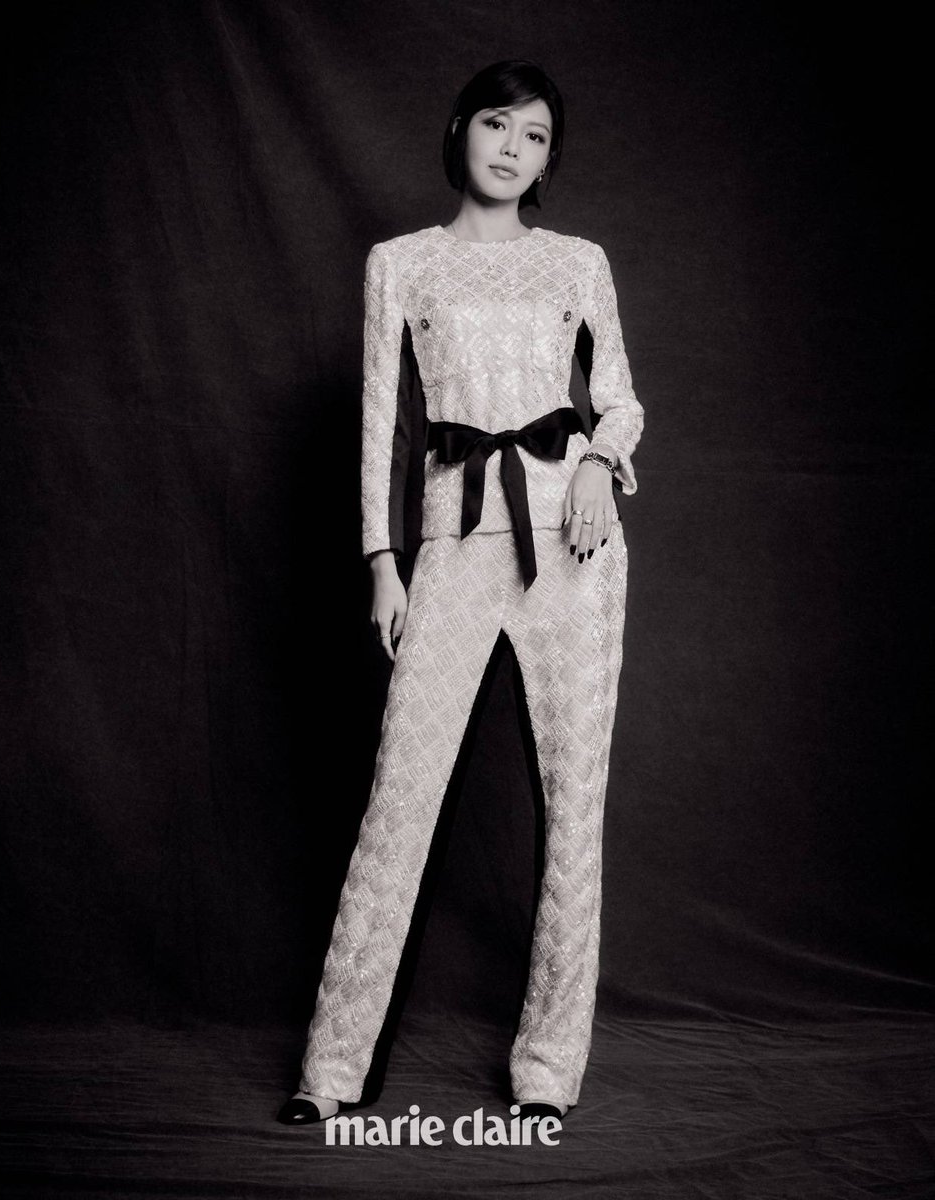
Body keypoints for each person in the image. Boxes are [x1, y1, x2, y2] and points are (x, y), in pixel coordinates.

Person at [277, 59, 644, 1125]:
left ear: (548, 159)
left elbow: (620, 400)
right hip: (451, 545)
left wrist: (595, 461)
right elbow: (379, 422)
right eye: (497, 124)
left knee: (574, 809)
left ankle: (547, 1076)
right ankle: (331, 1073)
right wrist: (381, 561)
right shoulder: (400, 264)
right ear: (458, 130)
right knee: (399, 800)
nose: (513, 149)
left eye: (535, 137)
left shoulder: (577, 262)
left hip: (574, 551)